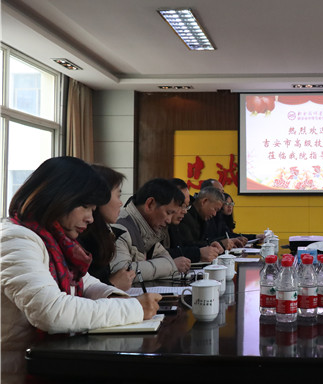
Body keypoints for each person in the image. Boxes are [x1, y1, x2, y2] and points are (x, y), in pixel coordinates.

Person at [0, 157, 160, 384]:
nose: (90, 218)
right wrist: (134, 308)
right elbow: (51, 312)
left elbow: (86, 282)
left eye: (93, 209)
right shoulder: (16, 239)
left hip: (47, 363)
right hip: (16, 373)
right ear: (58, 196)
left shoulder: (54, 239)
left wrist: (117, 297)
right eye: (85, 206)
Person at [111, 178, 191, 281]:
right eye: (168, 213)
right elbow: (123, 273)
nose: (169, 220)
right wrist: (171, 266)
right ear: (150, 204)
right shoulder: (120, 229)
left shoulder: (150, 231)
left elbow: (166, 258)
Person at [78, 165, 135, 291]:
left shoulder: (103, 235)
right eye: (118, 195)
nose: (120, 203)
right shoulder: (81, 239)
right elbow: (78, 294)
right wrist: (112, 285)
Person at [163, 178, 223, 263]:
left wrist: (208, 246)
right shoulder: (184, 219)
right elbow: (158, 256)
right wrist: (198, 253)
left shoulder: (172, 223)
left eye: (186, 206)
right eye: (181, 205)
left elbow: (183, 245)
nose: (185, 211)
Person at [178, 186, 227, 257]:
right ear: (204, 201)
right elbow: (187, 245)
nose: (214, 214)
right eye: (215, 209)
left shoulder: (204, 218)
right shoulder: (183, 217)